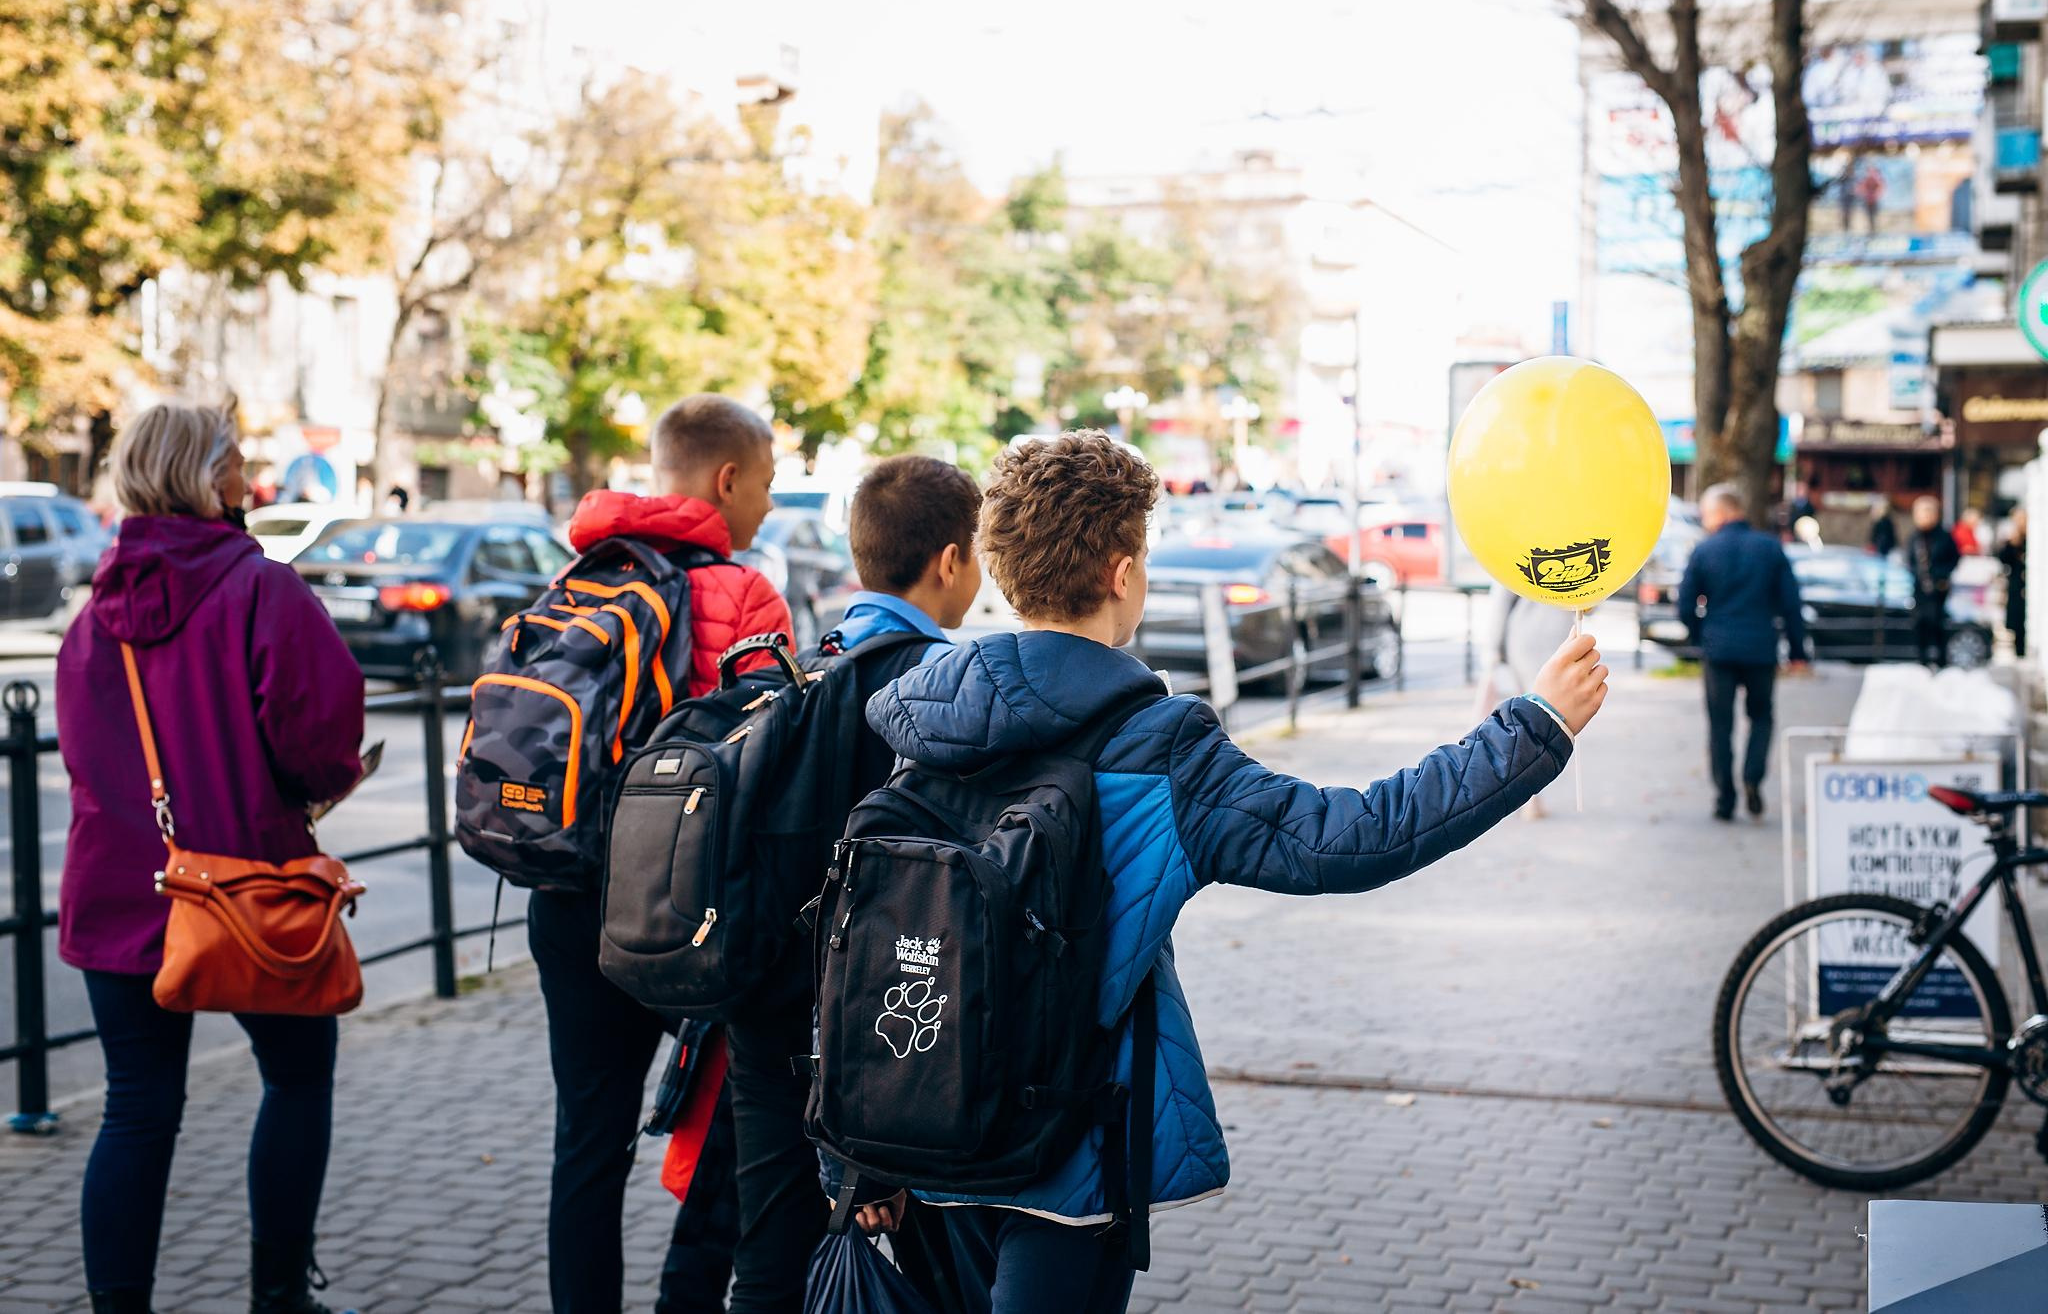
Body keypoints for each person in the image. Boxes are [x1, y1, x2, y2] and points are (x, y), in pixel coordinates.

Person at [848, 432, 1606, 1312]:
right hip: (1064, 1154)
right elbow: (1354, 837)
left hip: (919, 1126)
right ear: (1123, 572)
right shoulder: (1162, 749)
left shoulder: (926, 719)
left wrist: (853, 1155)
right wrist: (1535, 725)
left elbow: (870, 927)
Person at [56, 405, 367, 1314]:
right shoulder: (260, 588)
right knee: (299, 1074)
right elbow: (320, 737)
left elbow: (86, 757)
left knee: (137, 1106)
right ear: (207, 477)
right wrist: (314, 786)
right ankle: (278, 1294)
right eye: (236, 462)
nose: (248, 476)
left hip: (121, 892)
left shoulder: (94, 612)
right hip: (250, 890)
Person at [532, 394, 791, 1314]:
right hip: (693, 913)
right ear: (726, 480)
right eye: (764, 483)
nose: (767, 504)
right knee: (735, 1124)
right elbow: (775, 766)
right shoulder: (745, 595)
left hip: (567, 899)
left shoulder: (579, 576)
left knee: (587, 1143)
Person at [721, 455, 983, 1313]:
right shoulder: (936, 692)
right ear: (950, 560)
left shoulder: (805, 663)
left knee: (768, 1248)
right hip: (870, 1039)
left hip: (762, 1009)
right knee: (911, 1267)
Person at [1676, 483, 1810, 822]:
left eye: (1706, 513)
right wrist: (1797, 650)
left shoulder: (1705, 550)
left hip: (1718, 649)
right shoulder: (1770, 548)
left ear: (1722, 512)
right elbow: (1791, 604)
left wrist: (1700, 634)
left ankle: (1724, 797)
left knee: (1720, 725)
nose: (1704, 520)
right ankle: (1752, 777)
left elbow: (1684, 605)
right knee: (1761, 717)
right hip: (1761, 648)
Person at [1479, 585, 1576, 820]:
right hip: (1564, 638)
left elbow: (1502, 598)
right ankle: (1532, 798)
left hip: (1524, 637)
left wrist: (1492, 649)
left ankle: (1530, 798)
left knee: (1529, 722)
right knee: (1548, 723)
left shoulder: (1519, 549)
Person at [1907, 495, 1961, 669]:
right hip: (1920, 589)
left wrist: (1941, 575)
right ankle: (1922, 661)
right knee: (1920, 624)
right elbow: (1910, 560)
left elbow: (1954, 558)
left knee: (1937, 625)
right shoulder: (1914, 537)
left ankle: (1940, 662)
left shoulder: (1944, 537)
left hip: (1939, 589)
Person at [1999, 509, 2028, 659]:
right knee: (2017, 620)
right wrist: (2011, 543)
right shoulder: (2012, 541)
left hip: (2028, 584)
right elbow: (2003, 559)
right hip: (2017, 584)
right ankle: (2019, 652)